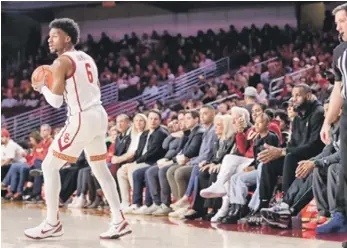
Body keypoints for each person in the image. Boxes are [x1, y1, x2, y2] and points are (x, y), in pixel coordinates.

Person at [24, 18, 131, 240]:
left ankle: (52, 223)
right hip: (99, 115)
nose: (50, 39)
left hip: (81, 117)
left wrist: (41, 87)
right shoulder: (87, 58)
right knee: (100, 168)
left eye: (55, 35)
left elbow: (55, 102)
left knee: (49, 166)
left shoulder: (61, 62)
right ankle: (119, 220)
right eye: (50, 35)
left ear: (68, 37)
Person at [320, 4, 347, 238]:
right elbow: (338, 88)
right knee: (345, 165)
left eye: (342, 20)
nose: (338, 26)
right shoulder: (339, 51)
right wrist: (327, 122)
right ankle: (340, 215)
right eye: (337, 21)